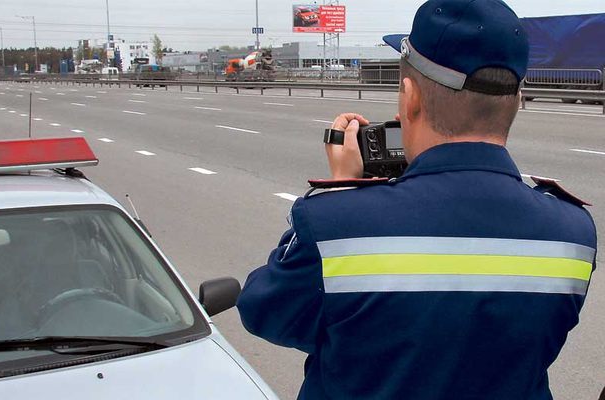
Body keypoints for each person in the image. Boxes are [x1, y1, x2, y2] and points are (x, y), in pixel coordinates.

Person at [236, 0, 598, 399]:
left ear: (410, 97)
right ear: (516, 100)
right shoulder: (573, 232)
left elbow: (263, 313)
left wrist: (342, 192)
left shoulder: (335, 224)